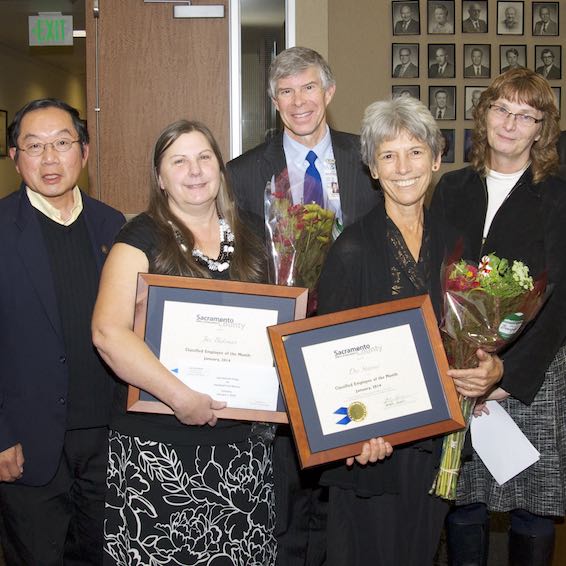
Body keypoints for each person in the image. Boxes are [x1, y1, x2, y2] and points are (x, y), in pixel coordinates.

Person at [316, 96, 503, 566]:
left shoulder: (456, 241)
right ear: (372, 169)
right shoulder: (351, 250)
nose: (403, 167)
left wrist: (490, 369)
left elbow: (473, 334)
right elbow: (326, 359)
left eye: (415, 152)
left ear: (437, 159)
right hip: (371, 452)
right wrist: (355, 433)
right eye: (388, 155)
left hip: (435, 444)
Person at [92, 119, 277, 565]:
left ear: (220, 167)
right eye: (179, 161)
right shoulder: (138, 239)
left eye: (204, 157)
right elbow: (107, 332)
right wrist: (181, 397)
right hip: (160, 453)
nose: (194, 171)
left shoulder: (254, 230)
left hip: (243, 451)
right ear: (160, 177)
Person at [227, 46, 380, 566]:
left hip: (355, 338)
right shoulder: (243, 174)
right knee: (287, 481)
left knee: (346, 480)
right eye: (286, 92)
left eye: (308, 88)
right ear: (273, 101)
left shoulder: (369, 159)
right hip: (280, 344)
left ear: (329, 93)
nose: (299, 102)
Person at [431, 67, 566, 566]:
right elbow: (435, 280)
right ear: (483, 114)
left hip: (532, 374)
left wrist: (504, 375)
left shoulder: (557, 197)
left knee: (533, 504)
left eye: (525, 116)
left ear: (541, 129)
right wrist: (466, 368)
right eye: (501, 109)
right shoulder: (450, 189)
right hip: (461, 369)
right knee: (462, 500)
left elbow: (559, 298)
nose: (510, 124)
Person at [0, 98, 124, 564]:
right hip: (27, 446)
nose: (50, 159)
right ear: (15, 158)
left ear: (84, 152)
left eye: (62, 143)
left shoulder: (113, 226)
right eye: (34, 147)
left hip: (109, 442)